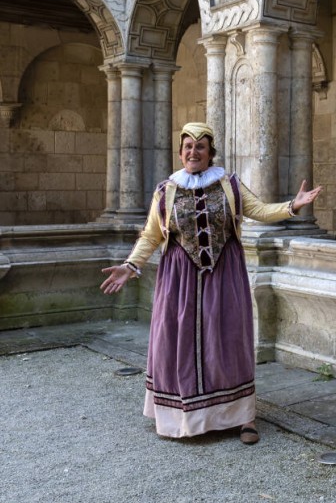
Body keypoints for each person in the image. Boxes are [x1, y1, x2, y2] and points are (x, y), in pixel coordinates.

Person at [100, 122, 321, 445]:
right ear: (180, 152)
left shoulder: (228, 184)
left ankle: (243, 417)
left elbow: (258, 209)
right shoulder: (166, 190)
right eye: (188, 146)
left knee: (229, 338)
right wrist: (131, 266)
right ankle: (184, 418)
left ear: (210, 152)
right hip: (179, 277)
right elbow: (152, 235)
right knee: (179, 340)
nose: (194, 152)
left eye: (200, 146)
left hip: (225, 272)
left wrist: (292, 206)